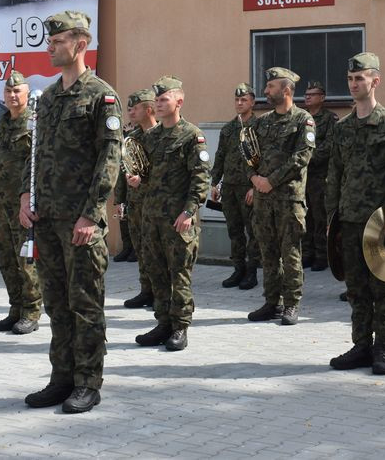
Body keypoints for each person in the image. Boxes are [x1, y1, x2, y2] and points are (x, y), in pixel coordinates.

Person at [19, 10, 122, 414]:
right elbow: (37, 155)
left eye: (58, 40)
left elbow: (110, 158)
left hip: (80, 222)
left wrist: (91, 215)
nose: (50, 46)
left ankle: (87, 382)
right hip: (47, 219)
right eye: (50, 40)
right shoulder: (46, 98)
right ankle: (61, 378)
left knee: (85, 303)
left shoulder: (101, 96)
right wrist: (28, 198)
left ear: (80, 43)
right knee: (56, 304)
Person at [326, 52, 385, 375]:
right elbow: (334, 173)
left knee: (384, 288)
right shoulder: (343, 127)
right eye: (350, 79)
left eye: (359, 78)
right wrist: (331, 220)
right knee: (356, 288)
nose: (353, 84)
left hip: (382, 222)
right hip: (349, 219)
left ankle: (383, 348)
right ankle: (361, 345)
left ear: (375, 81)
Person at [131, 76, 210, 352]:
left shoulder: (191, 135)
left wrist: (189, 211)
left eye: (164, 100)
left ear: (179, 101)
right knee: (156, 273)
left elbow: (200, 178)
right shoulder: (151, 137)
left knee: (179, 274)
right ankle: (163, 322)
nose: (159, 104)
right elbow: (147, 173)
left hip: (178, 218)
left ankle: (180, 327)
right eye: (157, 100)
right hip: (152, 217)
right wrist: (138, 179)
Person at [246, 68, 315, 325]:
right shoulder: (262, 122)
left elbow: (301, 158)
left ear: (286, 90)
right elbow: (247, 152)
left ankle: (292, 304)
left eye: (271, 86)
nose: (265, 91)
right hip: (264, 199)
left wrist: (270, 181)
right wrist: (254, 179)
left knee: (290, 253)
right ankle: (271, 302)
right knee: (268, 252)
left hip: (288, 198)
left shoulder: (303, 120)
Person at [0, 70, 42, 334]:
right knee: (6, 259)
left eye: (17, 91)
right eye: (8, 91)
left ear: (27, 94)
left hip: (24, 205)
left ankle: (31, 311)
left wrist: (31, 201)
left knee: (25, 260)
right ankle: (15, 308)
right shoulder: (4, 123)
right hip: (2, 202)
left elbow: (39, 165)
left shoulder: (34, 124)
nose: (12, 95)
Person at [210, 83, 261, 289]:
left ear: (252, 102)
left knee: (253, 232)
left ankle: (252, 272)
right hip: (230, 187)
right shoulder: (228, 128)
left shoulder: (260, 127)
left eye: (244, 100)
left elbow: (264, 159)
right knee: (234, 230)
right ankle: (238, 269)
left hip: (248, 187)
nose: (239, 103)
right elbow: (220, 156)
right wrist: (215, 183)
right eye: (237, 100)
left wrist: (255, 187)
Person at [115, 89, 157, 308]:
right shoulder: (132, 138)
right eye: (129, 108)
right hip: (136, 202)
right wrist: (121, 200)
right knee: (141, 248)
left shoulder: (162, 135)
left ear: (148, 109)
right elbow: (124, 173)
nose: (131, 112)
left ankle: (162, 293)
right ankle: (146, 290)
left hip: (158, 204)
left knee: (158, 250)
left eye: (135, 108)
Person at [302, 80, 338, 273]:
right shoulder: (301, 118)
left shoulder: (330, 119)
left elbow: (330, 146)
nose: (307, 97)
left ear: (322, 98)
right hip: (302, 175)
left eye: (312, 94)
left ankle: (322, 255)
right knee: (305, 215)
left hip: (320, 176)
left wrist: (307, 157)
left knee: (319, 215)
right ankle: (307, 253)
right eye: (306, 94)